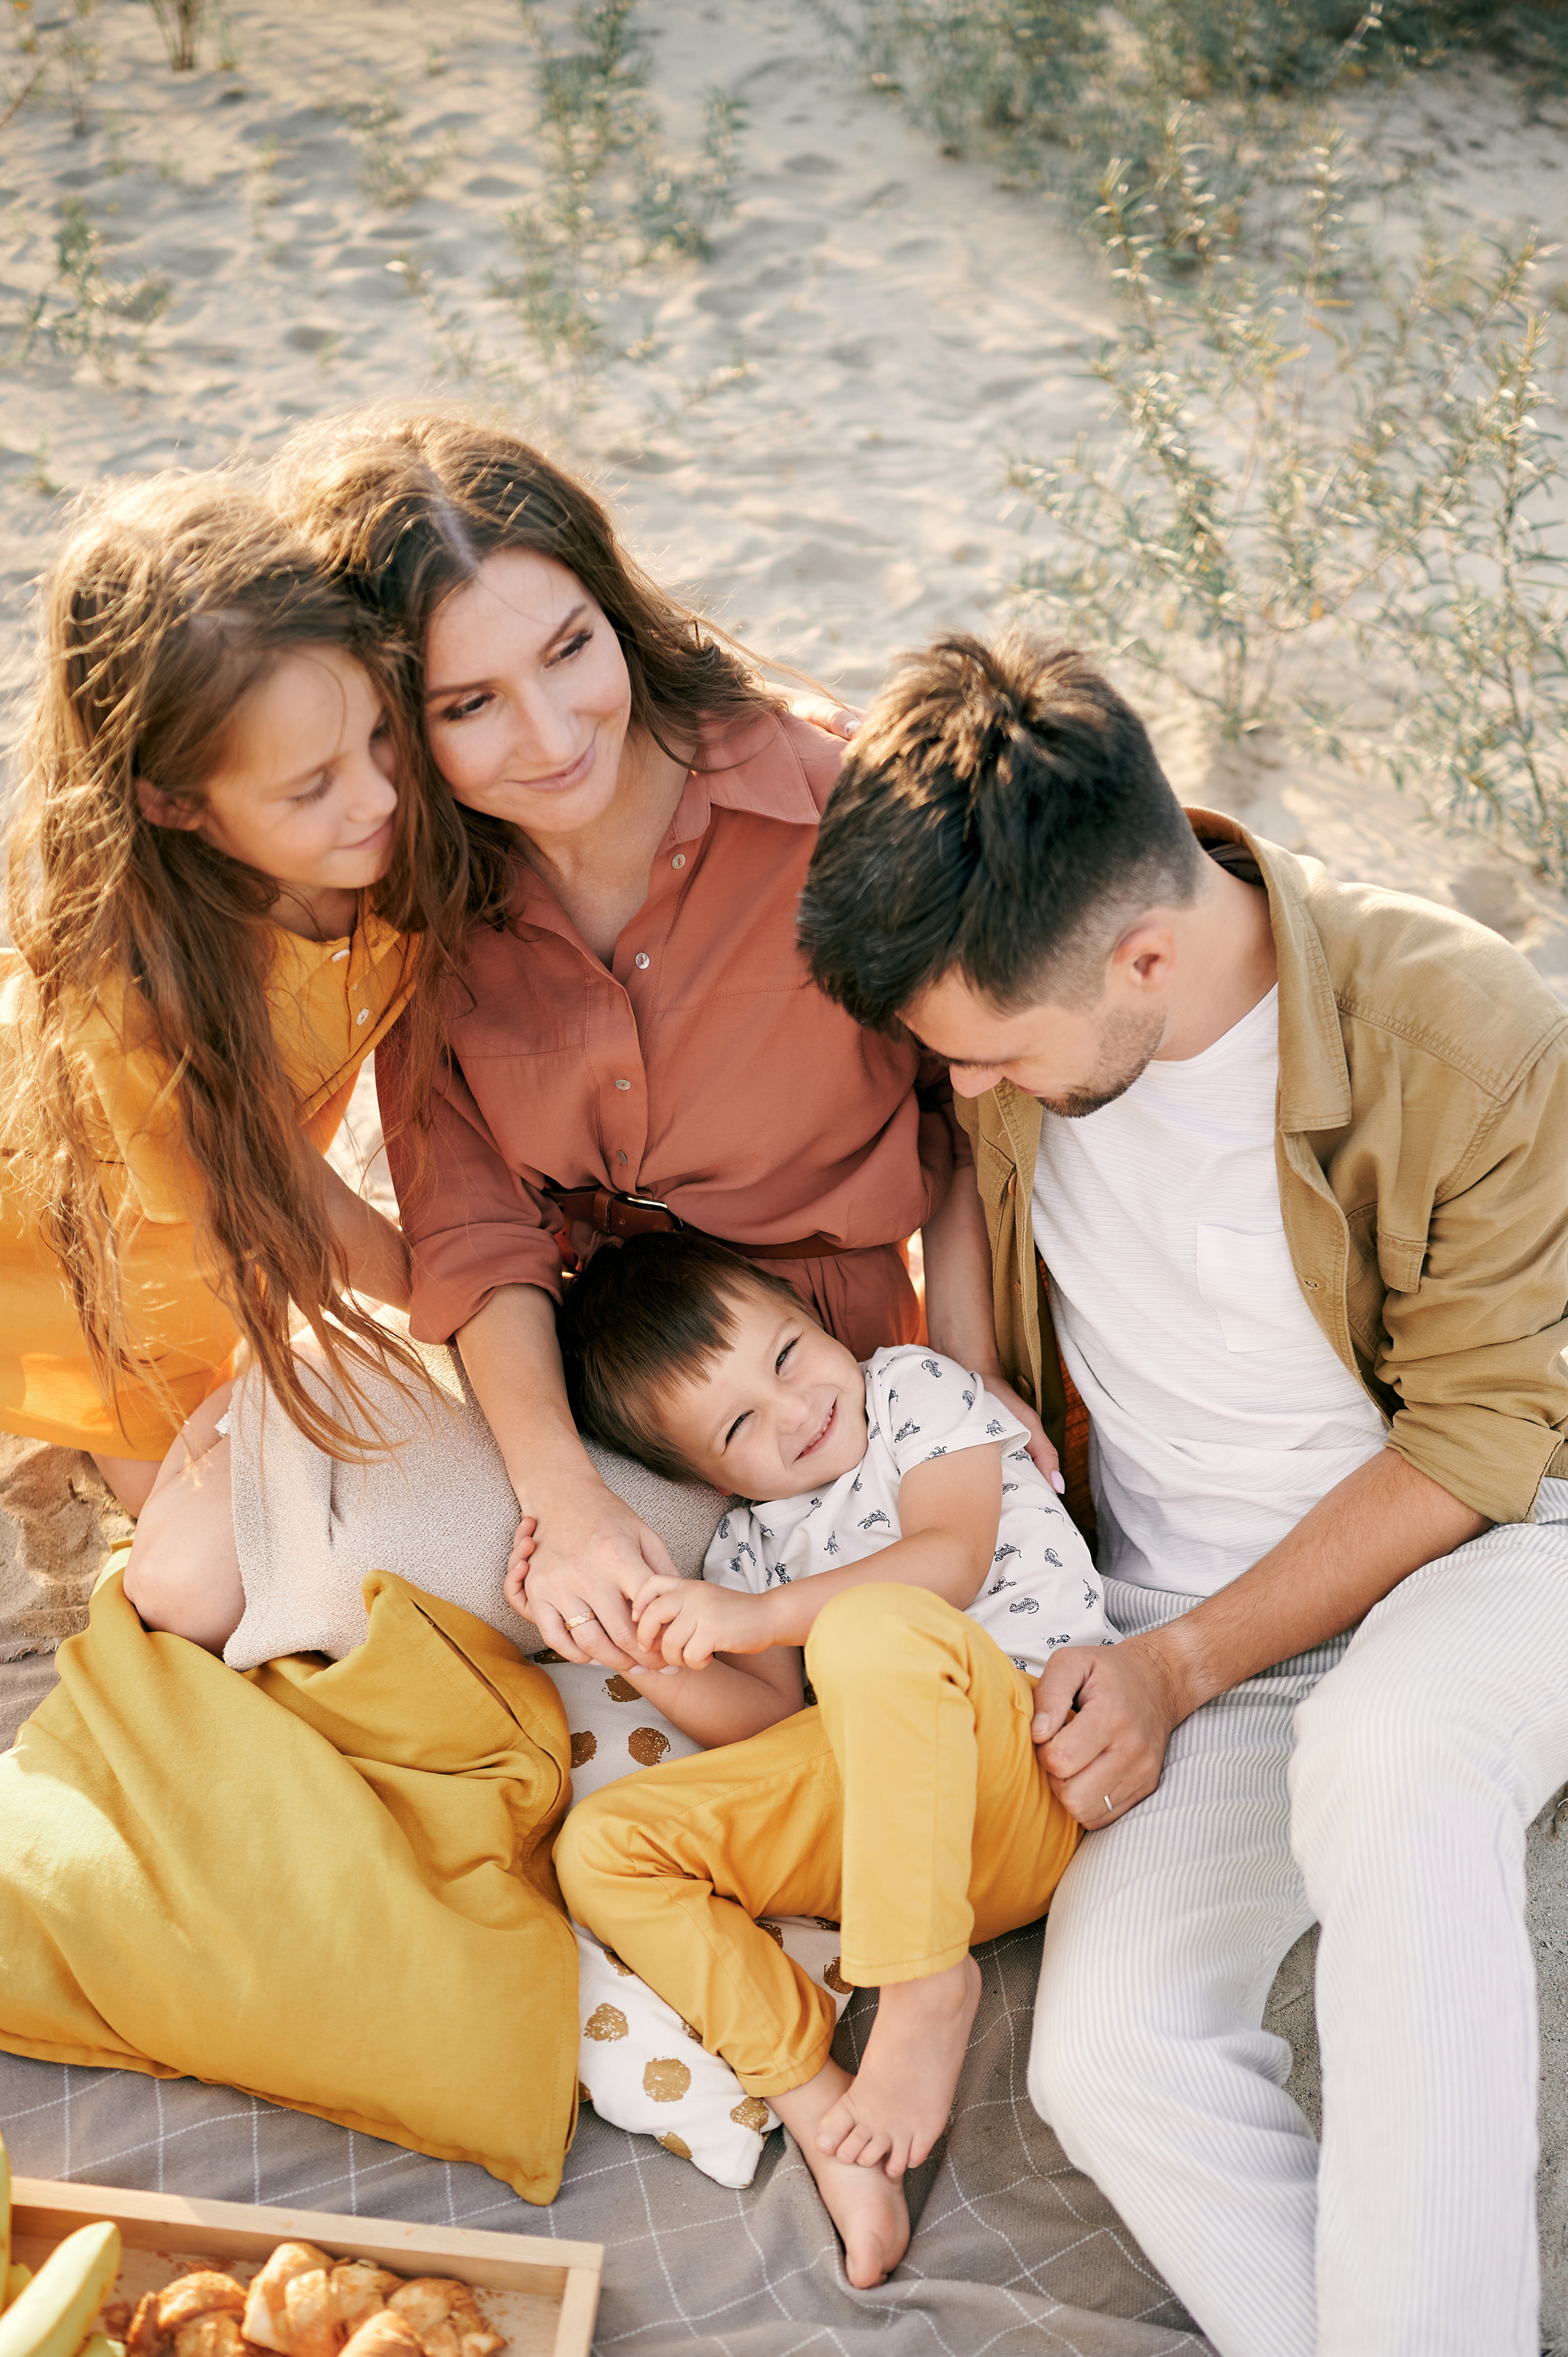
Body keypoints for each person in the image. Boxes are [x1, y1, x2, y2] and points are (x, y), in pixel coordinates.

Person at [794, 629, 1568, 2357]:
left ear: (1146, 954)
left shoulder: (1460, 1030)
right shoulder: (1031, 975)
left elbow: (1475, 1441)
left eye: (987, 1059)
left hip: (1495, 1546)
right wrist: (982, 1371)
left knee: (1396, 1754)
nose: (965, 1096)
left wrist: (1179, 1670)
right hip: (1167, 1605)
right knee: (1109, 2055)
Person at [274, 409, 1041, 1673]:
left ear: (615, 610)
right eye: (470, 704)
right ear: (399, 730)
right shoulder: (418, 898)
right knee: (254, 1558)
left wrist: (960, 1373)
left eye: (571, 650)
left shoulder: (821, 806)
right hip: (572, 1376)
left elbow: (963, 1104)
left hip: (823, 1389)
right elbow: (476, 1235)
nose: (552, 734)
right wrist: (562, 1497)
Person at [548, 1230, 1109, 2289]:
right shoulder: (747, 1546)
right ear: (705, 1475)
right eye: (740, 1426)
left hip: (1028, 1763)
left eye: (789, 1355)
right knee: (605, 1845)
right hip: (887, 1849)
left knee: (870, 1631)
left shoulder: (912, 1391)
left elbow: (950, 1558)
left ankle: (924, 1992)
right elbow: (767, 1735)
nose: (795, 1410)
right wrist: (651, 1649)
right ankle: (819, 2112)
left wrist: (757, 1617)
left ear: (820, 1322)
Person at [0, 474, 462, 1519]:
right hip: (103, 1253)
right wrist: (438, 1295)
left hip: (240, 1212)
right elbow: (276, 1191)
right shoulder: (134, 983)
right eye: (312, 787)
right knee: (187, 1526)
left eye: (379, 737)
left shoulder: (377, 838)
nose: (379, 794)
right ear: (175, 803)